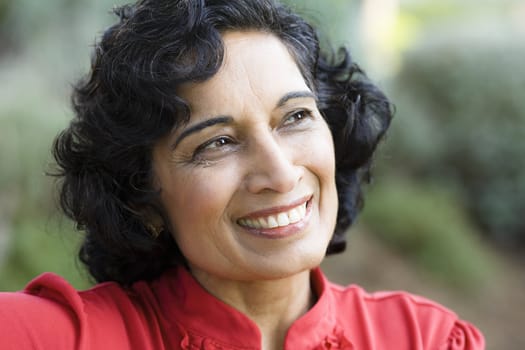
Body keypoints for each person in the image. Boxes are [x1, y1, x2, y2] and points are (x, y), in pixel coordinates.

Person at [0, 0, 484, 349]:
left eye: (295, 117)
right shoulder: (62, 337)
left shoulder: (425, 339)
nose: (278, 172)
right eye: (217, 142)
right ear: (141, 197)